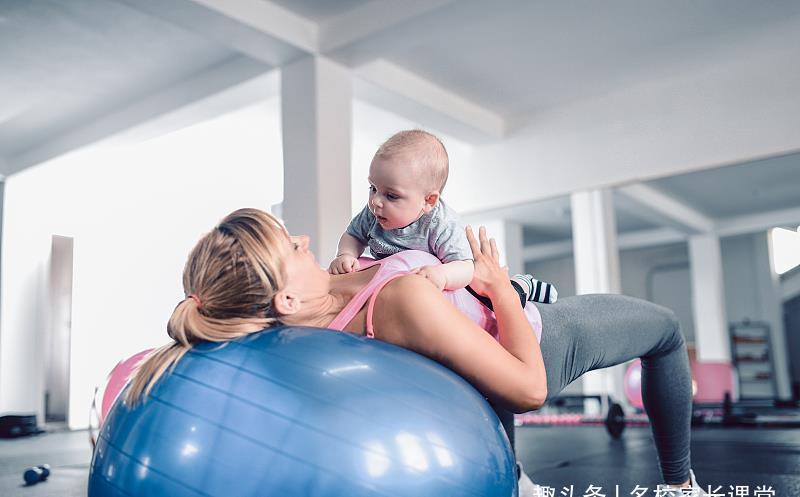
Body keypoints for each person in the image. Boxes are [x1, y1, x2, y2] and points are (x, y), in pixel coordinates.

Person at [127, 208, 706, 496]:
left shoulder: (307, 326)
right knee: (666, 330)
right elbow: (528, 388)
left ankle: (517, 479)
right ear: (285, 296)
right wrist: (499, 283)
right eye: (290, 246)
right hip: (534, 338)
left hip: (470, 366)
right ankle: (680, 486)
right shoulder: (401, 300)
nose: (304, 239)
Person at [329, 129, 557, 306]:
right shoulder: (373, 213)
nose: (376, 201)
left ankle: (522, 285)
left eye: (391, 195)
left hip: (460, 280)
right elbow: (353, 235)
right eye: (373, 188)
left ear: (428, 201)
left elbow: (466, 268)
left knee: (488, 297)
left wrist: (442, 276)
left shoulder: (440, 224)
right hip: (404, 285)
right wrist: (346, 254)